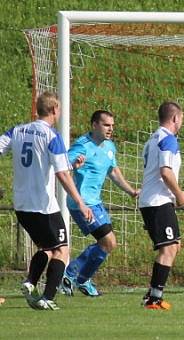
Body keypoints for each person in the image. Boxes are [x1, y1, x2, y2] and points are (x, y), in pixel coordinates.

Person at [0, 92, 93, 310]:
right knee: (62, 250)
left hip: (21, 206)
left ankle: (30, 281)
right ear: (53, 110)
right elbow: (61, 175)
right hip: (44, 206)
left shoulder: (17, 131)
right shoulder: (52, 137)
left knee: (47, 247)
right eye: (59, 109)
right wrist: (80, 202)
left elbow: (55, 166)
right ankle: (48, 298)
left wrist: (72, 166)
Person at [60, 110, 139, 297]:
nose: (110, 129)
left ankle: (82, 279)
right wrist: (73, 165)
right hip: (81, 203)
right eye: (106, 125)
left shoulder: (109, 146)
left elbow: (113, 171)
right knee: (107, 241)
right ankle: (70, 275)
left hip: (95, 202)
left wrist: (131, 191)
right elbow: (62, 166)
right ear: (94, 125)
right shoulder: (82, 146)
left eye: (112, 125)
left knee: (109, 244)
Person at [139, 101, 184, 310]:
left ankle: (152, 293)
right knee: (168, 248)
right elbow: (165, 172)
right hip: (157, 201)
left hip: (154, 200)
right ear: (175, 118)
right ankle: (154, 298)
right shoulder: (168, 140)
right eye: (182, 119)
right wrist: (180, 195)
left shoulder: (153, 138)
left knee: (174, 245)